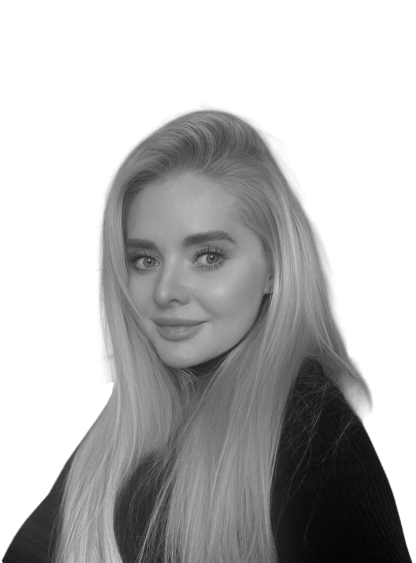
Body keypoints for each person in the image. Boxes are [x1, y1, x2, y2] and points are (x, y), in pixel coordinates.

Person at [3, 103, 411, 562]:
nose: (166, 291)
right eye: (145, 260)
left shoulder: (311, 429)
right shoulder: (123, 427)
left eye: (208, 257)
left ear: (275, 267)